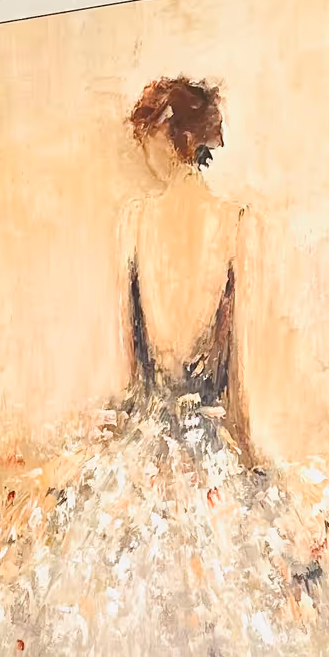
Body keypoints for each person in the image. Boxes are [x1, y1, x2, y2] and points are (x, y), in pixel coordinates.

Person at [116, 74, 258, 460]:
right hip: (208, 442)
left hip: (148, 441)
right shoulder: (234, 223)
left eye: (149, 136)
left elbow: (131, 365)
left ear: (175, 139)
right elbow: (236, 368)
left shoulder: (135, 220)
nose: (143, 151)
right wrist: (246, 453)